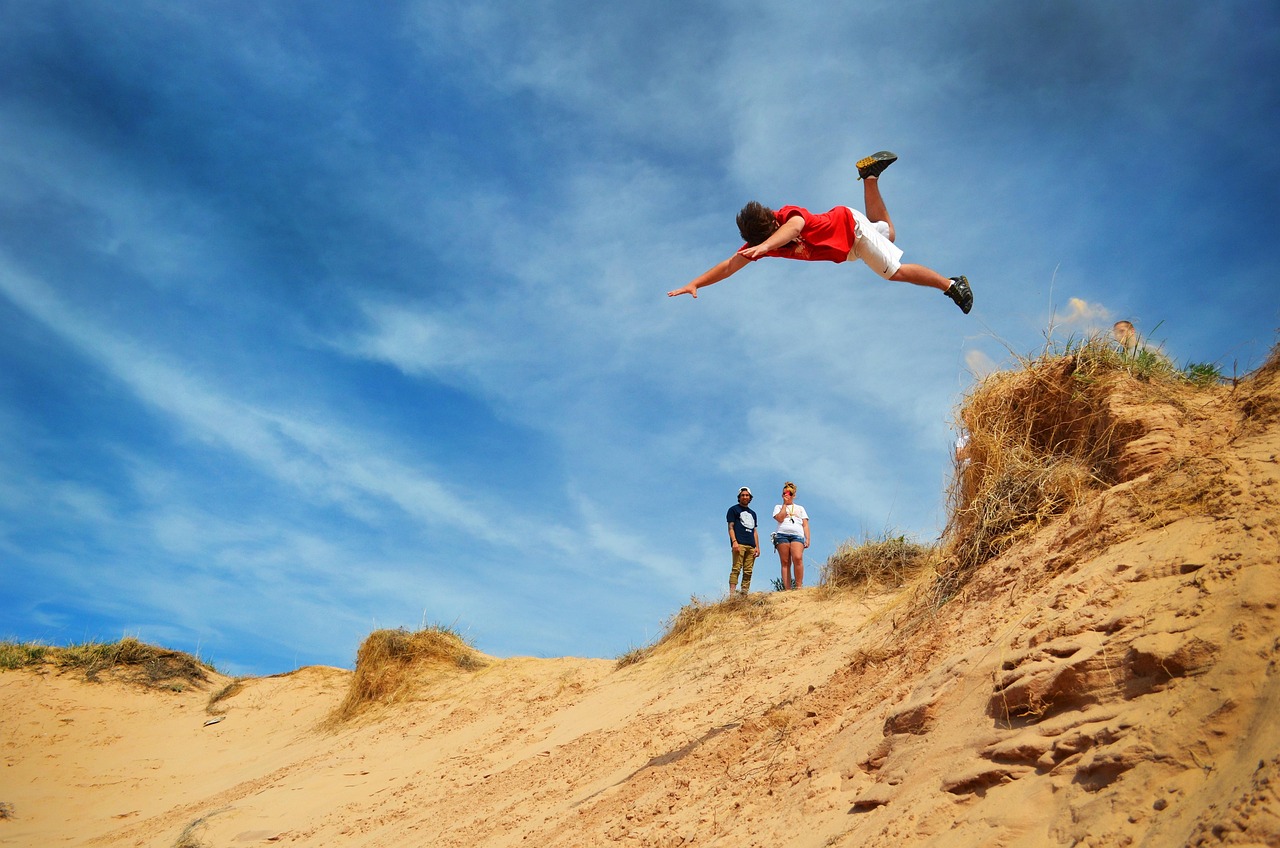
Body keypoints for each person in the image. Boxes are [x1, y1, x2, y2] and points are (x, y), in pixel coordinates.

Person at [667, 151, 973, 314]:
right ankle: (869, 176)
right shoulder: (763, 242)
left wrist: (764, 247)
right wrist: (696, 283)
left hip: (851, 231)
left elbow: (794, 228)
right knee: (889, 234)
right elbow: (729, 266)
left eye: (768, 239)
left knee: (893, 272)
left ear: (772, 223)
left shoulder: (786, 215)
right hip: (850, 241)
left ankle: (951, 285)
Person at [772, 482, 810, 590]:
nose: (786, 495)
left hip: (797, 535)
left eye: (789, 493)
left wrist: (808, 538)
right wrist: (784, 505)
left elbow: (805, 525)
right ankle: (787, 589)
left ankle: (798, 586)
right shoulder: (778, 507)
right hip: (782, 535)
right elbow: (779, 518)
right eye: (784, 493)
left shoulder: (800, 508)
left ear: (793, 495)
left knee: (798, 558)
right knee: (785, 562)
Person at [726, 486, 760, 595]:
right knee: (736, 568)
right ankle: (732, 595)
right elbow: (730, 527)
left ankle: (744, 595)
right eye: (743, 495)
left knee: (748, 571)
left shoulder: (753, 513)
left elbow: (754, 531)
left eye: (747, 495)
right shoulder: (733, 510)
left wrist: (757, 547)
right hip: (739, 543)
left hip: (751, 545)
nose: (745, 497)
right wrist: (734, 542)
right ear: (739, 497)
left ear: (750, 497)